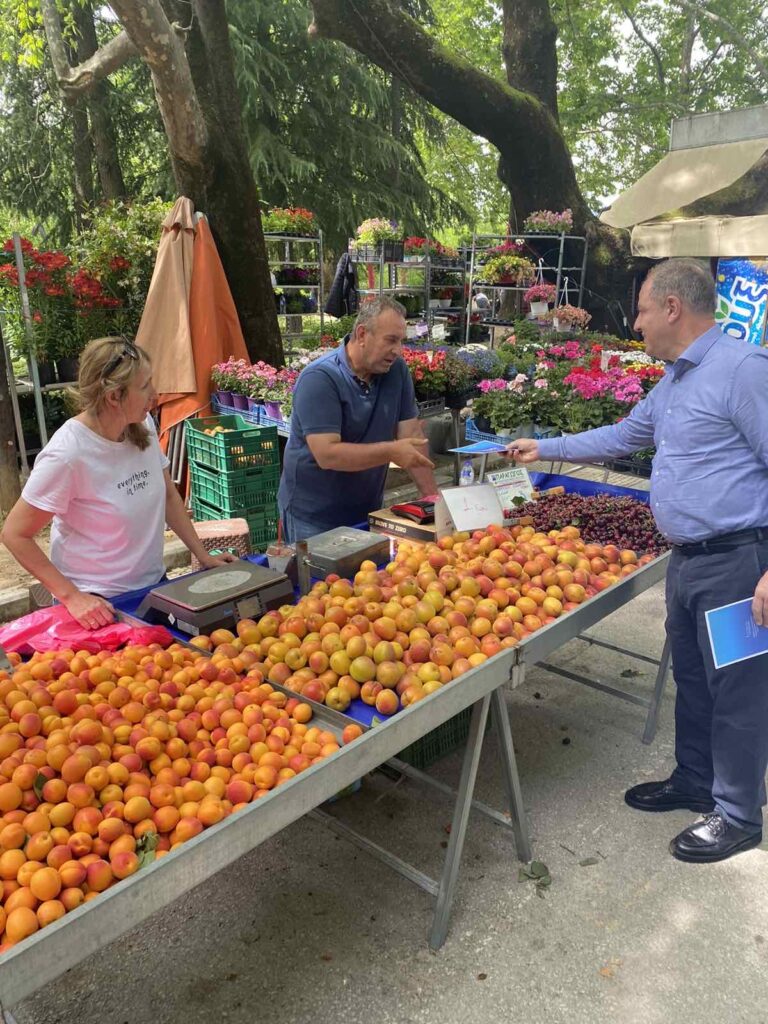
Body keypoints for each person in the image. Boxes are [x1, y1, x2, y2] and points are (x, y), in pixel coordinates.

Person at [510, 258, 768, 864]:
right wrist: (543, 446)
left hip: (736, 562)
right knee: (694, 680)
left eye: (644, 309)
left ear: (673, 307)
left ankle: (737, 814)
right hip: (688, 562)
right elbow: (625, 436)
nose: (637, 322)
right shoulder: (677, 379)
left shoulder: (744, 371)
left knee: (739, 690)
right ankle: (695, 780)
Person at [1, 336, 236, 631]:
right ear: (114, 396)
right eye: (145, 385)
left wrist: (202, 556)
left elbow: (168, 498)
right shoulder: (67, 454)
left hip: (152, 588)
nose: (155, 393)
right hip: (98, 605)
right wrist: (72, 597)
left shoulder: (142, 425)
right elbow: (15, 534)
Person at [278, 296, 437, 541]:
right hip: (313, 518)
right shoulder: (320, 378)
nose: (398, 350)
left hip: (367, 510)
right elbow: (327, 454)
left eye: (401, 341)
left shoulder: (396, 371)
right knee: (318, 580)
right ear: (362, 334)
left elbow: (412, 439)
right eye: (391, 340)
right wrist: (391, 451)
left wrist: (432, 501)